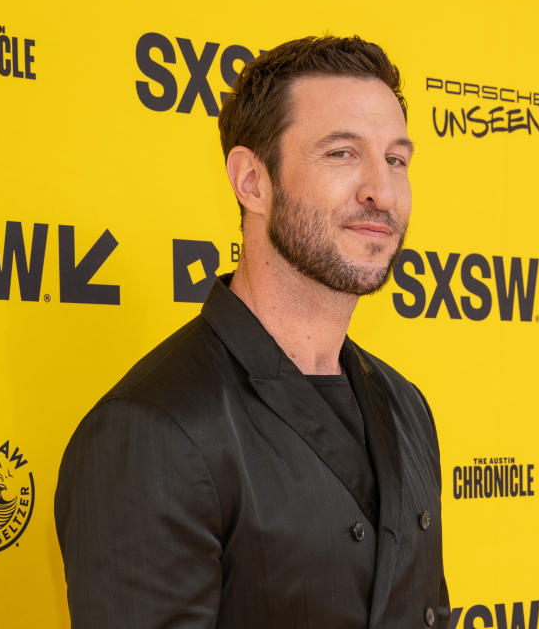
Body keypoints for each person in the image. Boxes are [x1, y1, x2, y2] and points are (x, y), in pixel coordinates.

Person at [54, 35, 450, 628]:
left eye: (396, 159)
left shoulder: (406, 407)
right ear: (252, 181)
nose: (382, 191)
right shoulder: (152, 431)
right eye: (342, 153)